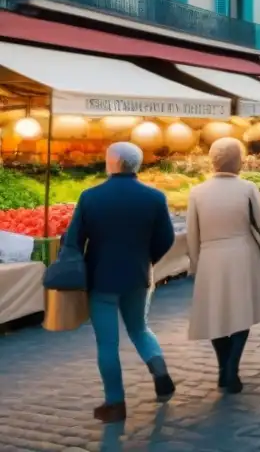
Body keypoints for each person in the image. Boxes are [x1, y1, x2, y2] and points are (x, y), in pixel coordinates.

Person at [63, 142, 176, 423]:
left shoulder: (90, 197)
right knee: (139, 328)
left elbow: (72, 240)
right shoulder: (154, 197)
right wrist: (147, 258)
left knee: (107, 343)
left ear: (111, 163)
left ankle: (115, 403)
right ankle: (159, 369)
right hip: (137, 275)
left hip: (101, 278)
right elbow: (167, 238)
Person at [186, 138, 260, 394]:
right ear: (238, 160)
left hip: (211, 255)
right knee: (240, 312)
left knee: (216, 314)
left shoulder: (197, 192)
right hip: (242, 253)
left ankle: (223, 366)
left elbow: (192, 233)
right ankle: (232, 368)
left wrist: (195, 261)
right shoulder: (247, 188)